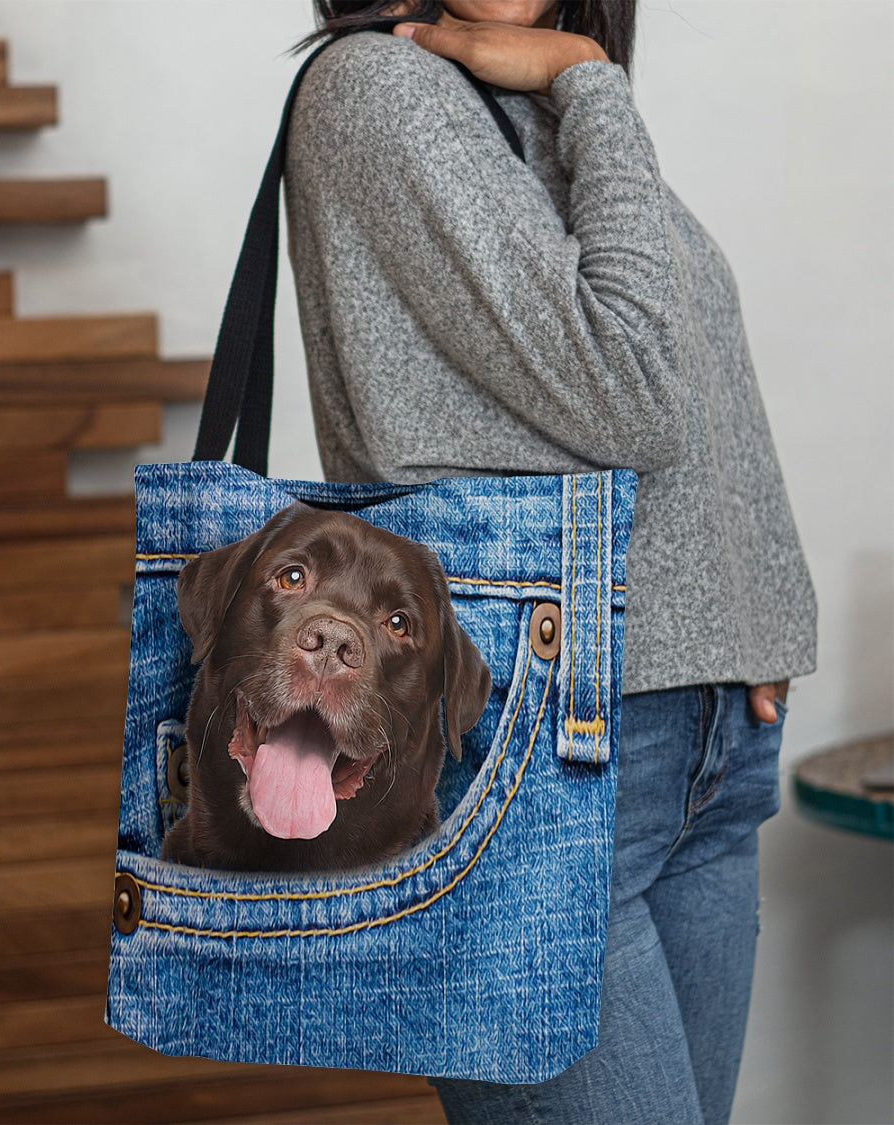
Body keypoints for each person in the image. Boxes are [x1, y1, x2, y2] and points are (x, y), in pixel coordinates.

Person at [283, 2, 817, 1122]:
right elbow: (633, 389)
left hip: (698, 750)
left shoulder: (527, 97)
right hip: (538, 756)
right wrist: (592, 78)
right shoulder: (382, 90)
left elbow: (696, 366)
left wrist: (746, 627)